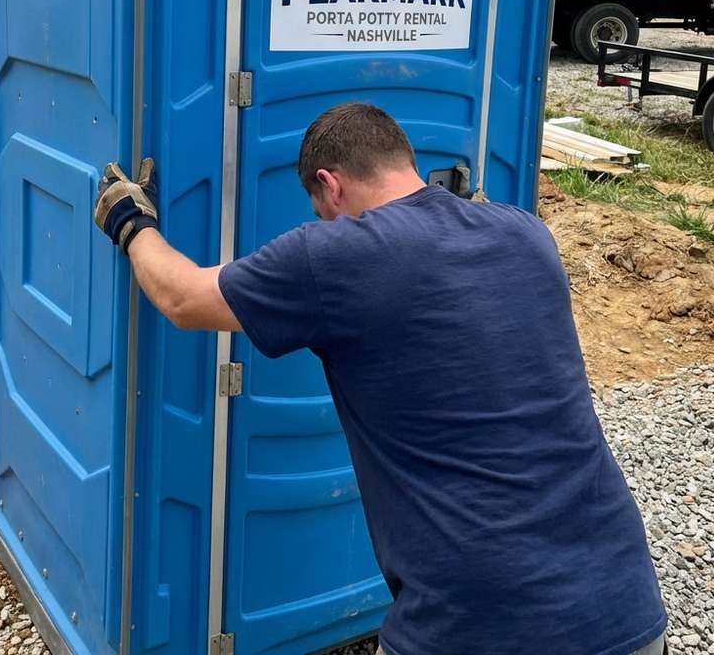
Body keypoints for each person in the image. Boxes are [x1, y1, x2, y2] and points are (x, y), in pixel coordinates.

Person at [94, 102, 668, 655]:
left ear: (331, 184)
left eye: (320, 208)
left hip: (481, 621)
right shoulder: (525, 232)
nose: (324, 222)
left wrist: (130, 222)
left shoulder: (335, 256)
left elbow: (183, 298)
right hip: (626, 602)